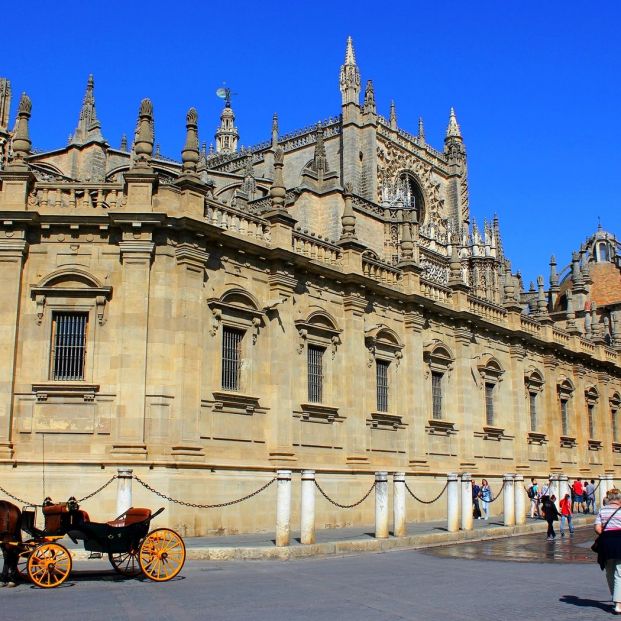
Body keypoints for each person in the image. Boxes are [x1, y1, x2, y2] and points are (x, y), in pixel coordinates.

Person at [594, 488, 621, 615]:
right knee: (620, 573)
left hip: (606, 543)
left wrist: (606, 534)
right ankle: (618, 604)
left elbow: (597, 528)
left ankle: (615, 598)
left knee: (609, 572)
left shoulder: (602, 510)